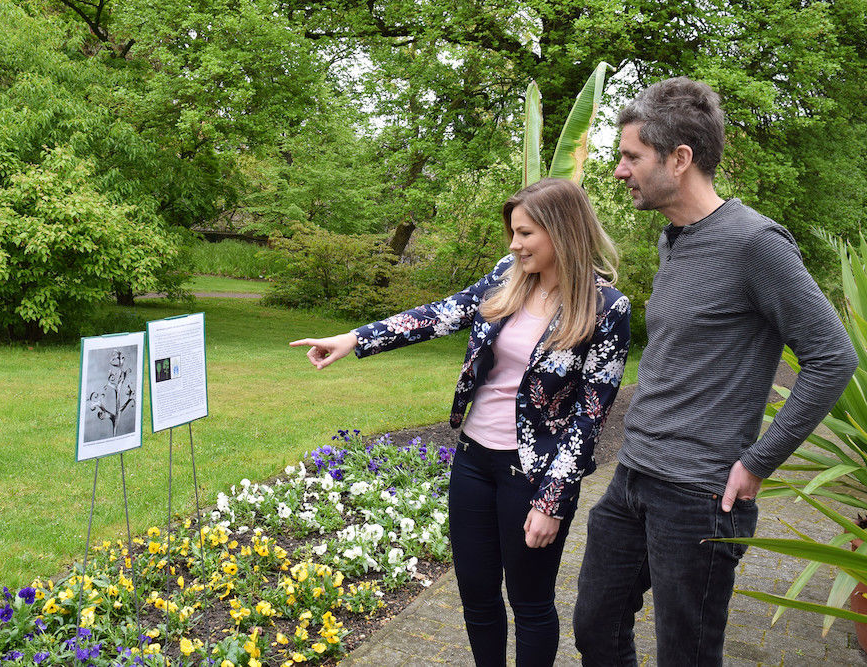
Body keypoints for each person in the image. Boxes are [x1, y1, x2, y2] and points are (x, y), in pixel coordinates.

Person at [572, 77, 859, 666]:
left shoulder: (756, 242)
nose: (620, 170)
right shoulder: (672, 238)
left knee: (688, 653)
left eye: (631, 156)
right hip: (632, 478)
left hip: (698, 495)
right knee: (595, 625)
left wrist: (757, 462)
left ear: (680, 159)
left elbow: (832, 355)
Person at [290, 178, 631, 666]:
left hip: (535, 475)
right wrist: (355, 339)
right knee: (476, 596)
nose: (514, 244)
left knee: (530, 604)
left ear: (563, 232)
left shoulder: (606, 310)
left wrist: (551, 502)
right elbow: (438, 315)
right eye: (512, 233)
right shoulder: (506, 276)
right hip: (473, 461)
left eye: (525, 234)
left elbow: (589, 418)